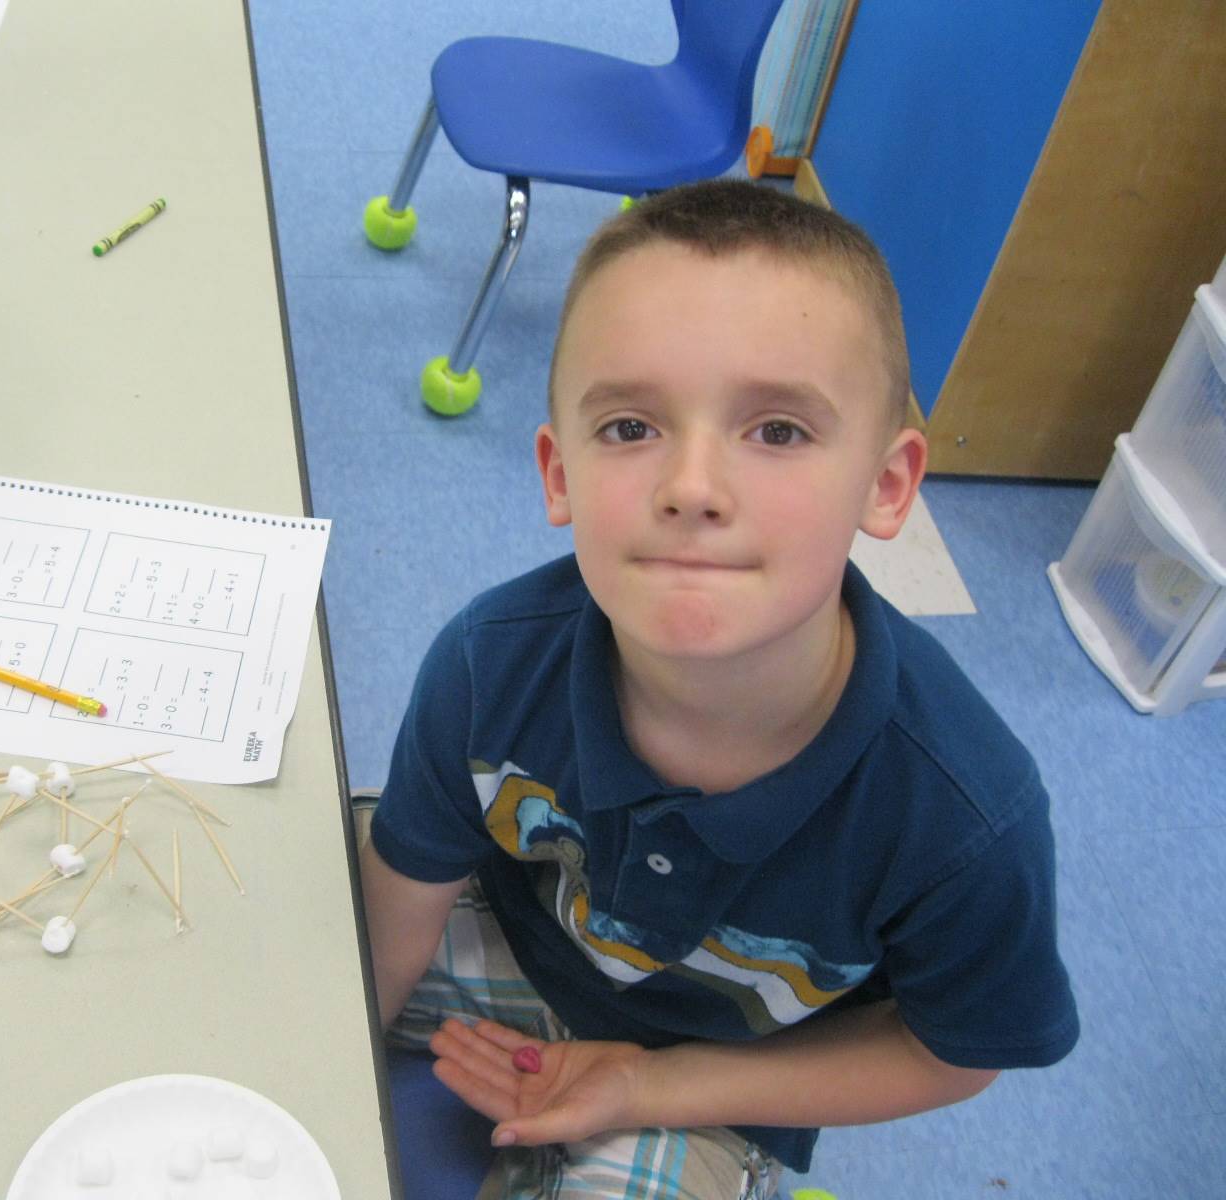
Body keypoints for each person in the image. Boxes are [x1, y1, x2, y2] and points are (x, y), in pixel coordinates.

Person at [359, 180, 1079, 1199]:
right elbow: (394, 910)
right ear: (557, 475)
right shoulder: (486, 660)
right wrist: (316, 1070)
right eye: (628, 428)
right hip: (509, 946)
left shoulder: (964, 818)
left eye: (777, 430)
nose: (690, 486)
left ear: (886, 486)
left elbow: (952, 1052)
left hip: (720, 1085)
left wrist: (651, 1087)